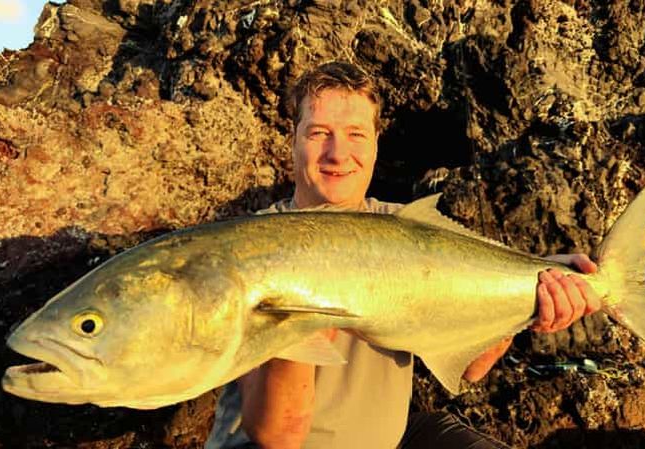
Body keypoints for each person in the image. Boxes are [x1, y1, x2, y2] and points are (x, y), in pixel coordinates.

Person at [205, 61, 601, 449]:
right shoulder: (252, 247)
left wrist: (535, 303)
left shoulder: (409, 229)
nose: (338, 153)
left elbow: (471, 366)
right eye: (319, 132)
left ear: (377, 142)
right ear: (293, 139)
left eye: (356, 134)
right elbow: (278, 436)